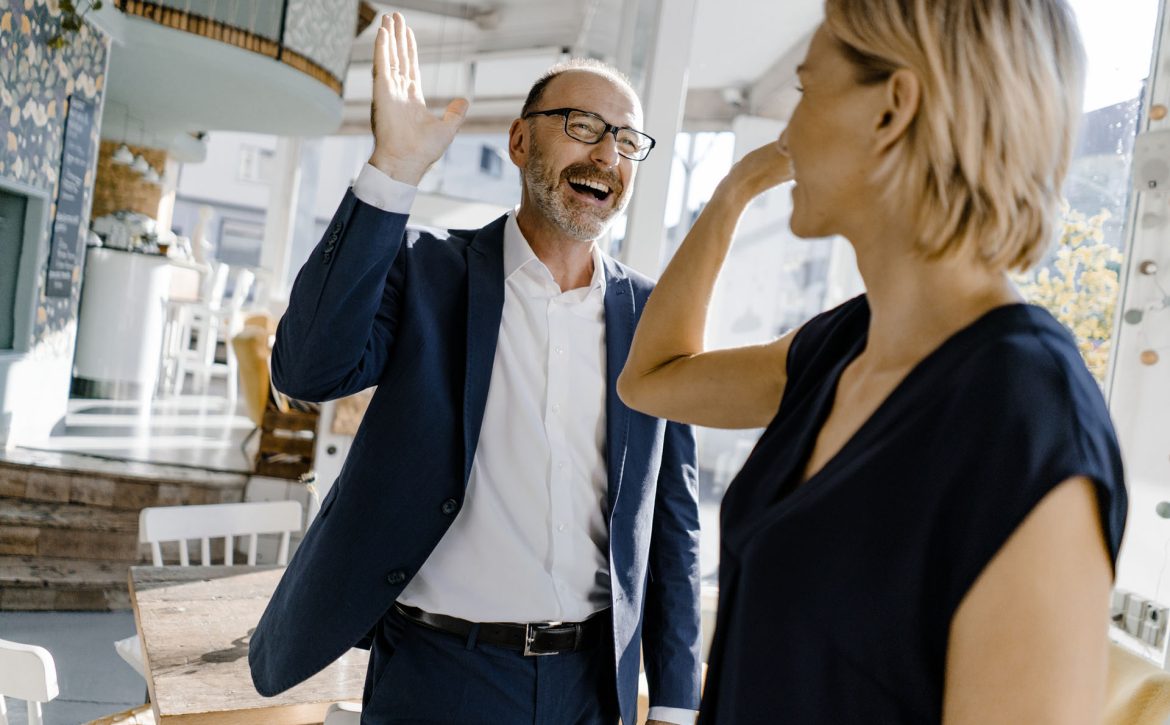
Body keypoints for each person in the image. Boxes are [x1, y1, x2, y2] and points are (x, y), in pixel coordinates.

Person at [617, 0, 1127, 723]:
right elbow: (651, 379)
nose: (787, 134)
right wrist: (731, 193)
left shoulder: (1026, 418)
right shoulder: (842, 348)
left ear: (893, 109)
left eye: (806, 88)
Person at [247, 12, 701, 725]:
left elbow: (669, 522)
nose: (606, 155)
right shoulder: (430, 272)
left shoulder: (655, 316)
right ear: (520, 141)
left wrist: (676, 704)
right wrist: (392, 170)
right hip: (437, 676)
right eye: (582, 125)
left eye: (626, 140)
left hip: (587, 690)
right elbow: (306, 369)